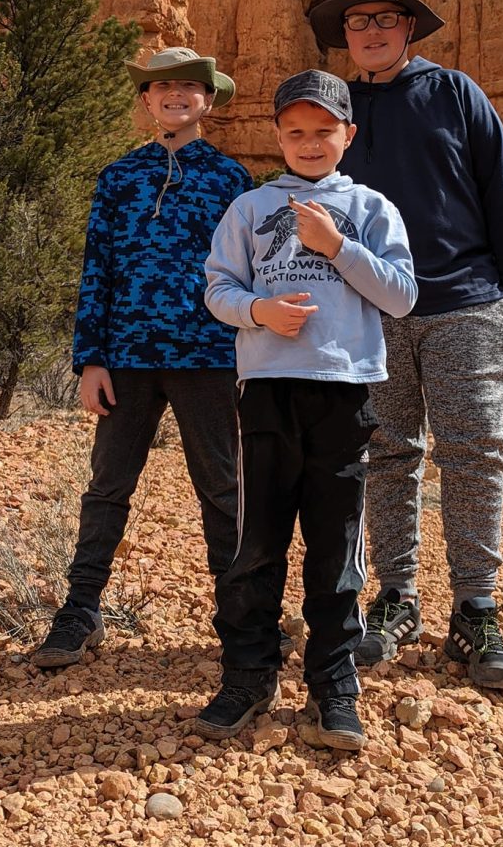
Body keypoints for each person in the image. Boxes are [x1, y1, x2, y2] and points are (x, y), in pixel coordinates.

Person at [308, 0, 503, 690]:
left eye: (386, 19)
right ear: (344, 34)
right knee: (388, 456)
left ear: (409, 28)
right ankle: (396, 600)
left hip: (468, 302)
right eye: (357, 21)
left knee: (473, 455)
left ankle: (476, 610)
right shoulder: (335, 113)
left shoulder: (453, 92)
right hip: (372, 311)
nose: (371, 32)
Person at [199, 70, 417, 749]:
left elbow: (403, 295)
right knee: (256, 541)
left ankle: (333, 685)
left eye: (324, 130)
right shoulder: (250, 207)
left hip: (343, 390)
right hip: (266, 388)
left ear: (348, 135)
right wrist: (258, 310)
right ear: (277, 137)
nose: (310, 142)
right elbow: (217, 288)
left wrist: (336, 246)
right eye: (295, 131)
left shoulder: (372, 208)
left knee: (334, 546)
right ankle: (247, 676)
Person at [31, 47, 252, 669]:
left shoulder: (232, 181)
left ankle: (240, 616)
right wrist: (90, 359)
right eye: (161, 89)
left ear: (208, 100)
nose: (174, 96)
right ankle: (79, 610)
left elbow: (248, 274)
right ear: (146, 102)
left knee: (223, 486)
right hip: (125, 357)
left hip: (208, 356)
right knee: (109, 485)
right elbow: (95, 270)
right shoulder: (119, 177)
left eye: (188, 87)